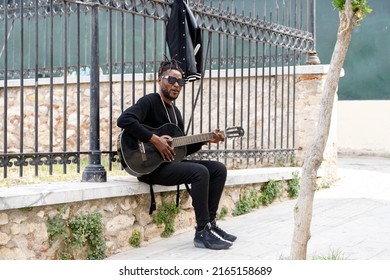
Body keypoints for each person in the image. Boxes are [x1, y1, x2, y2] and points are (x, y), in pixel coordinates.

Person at [117, 58, 236, 250]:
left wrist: (206, 139)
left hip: (169, 164)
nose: (176, 85)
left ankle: (210, 225)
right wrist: (155, 140)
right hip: (149, 168)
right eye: (171, 80)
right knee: (200, 172)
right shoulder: (150, 101)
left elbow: (181, 150)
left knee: (218, 169)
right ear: (159, 80)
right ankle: (202, 232)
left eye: (180, 82)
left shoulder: (175, 113)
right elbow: (124, 119)